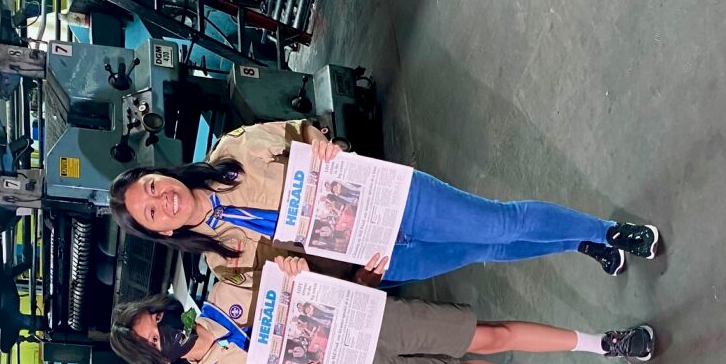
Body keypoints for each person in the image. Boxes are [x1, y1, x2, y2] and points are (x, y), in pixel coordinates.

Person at [107, 119, 659, 283]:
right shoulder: (222, 260)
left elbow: (301, 131)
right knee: (485, 252)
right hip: (374, 257)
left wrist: (323, 144)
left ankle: (606, 230)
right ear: (159, 233)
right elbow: (286, 292)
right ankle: (579, 241)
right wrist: (298, 273)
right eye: (150, 212)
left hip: (387, 201)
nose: (163, 200)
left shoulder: (234, 151)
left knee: (498, 223)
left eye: (152, 186)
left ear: (160, 171)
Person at [109, 264, 656, 364]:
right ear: (160, 361)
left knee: (489, 336)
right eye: (156, 342)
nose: (165, 333)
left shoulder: (229, 285)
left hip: (368, 325)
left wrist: (303, 270)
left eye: (157, 321)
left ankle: (603, 342)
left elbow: (298, 272)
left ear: (162, 307)